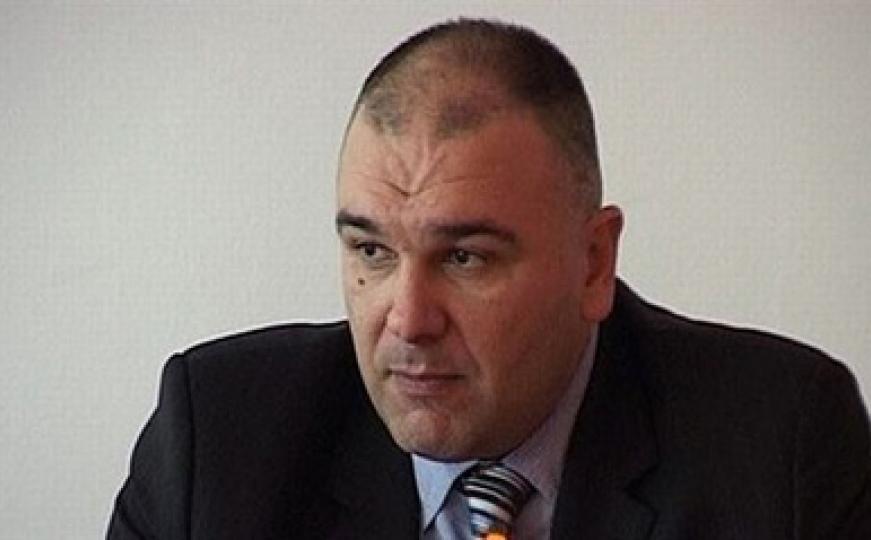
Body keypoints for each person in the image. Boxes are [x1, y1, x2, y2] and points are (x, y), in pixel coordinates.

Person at [107, 19, 871, 540]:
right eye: (371, 251)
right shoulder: (219, 441)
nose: (408, 320)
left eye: (464, 258)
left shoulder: (780, 446)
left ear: (593, 262)